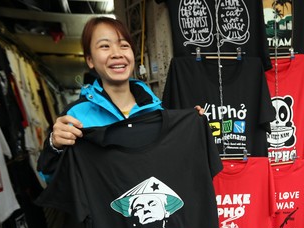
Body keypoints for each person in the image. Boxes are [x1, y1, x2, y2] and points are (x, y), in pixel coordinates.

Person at [36, 16, 203, 180]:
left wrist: (190, 127)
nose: (117, 53)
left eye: (124, 45)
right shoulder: (76, 116)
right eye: (104, 46)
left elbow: (176, 165)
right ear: (90, 60)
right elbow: (49, 177)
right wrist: (54, 146)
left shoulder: (156, 110)